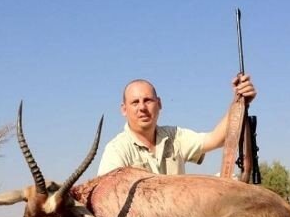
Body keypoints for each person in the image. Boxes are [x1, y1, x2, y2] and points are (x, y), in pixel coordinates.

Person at [97, 74, 257, 176]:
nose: (142, 108)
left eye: (147, 100)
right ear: (124, 110)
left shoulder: (174, 136)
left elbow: (216, 139)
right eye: (134, 102)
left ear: (159, 104)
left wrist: (239, 102)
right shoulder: (116, 149)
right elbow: (108, 197)